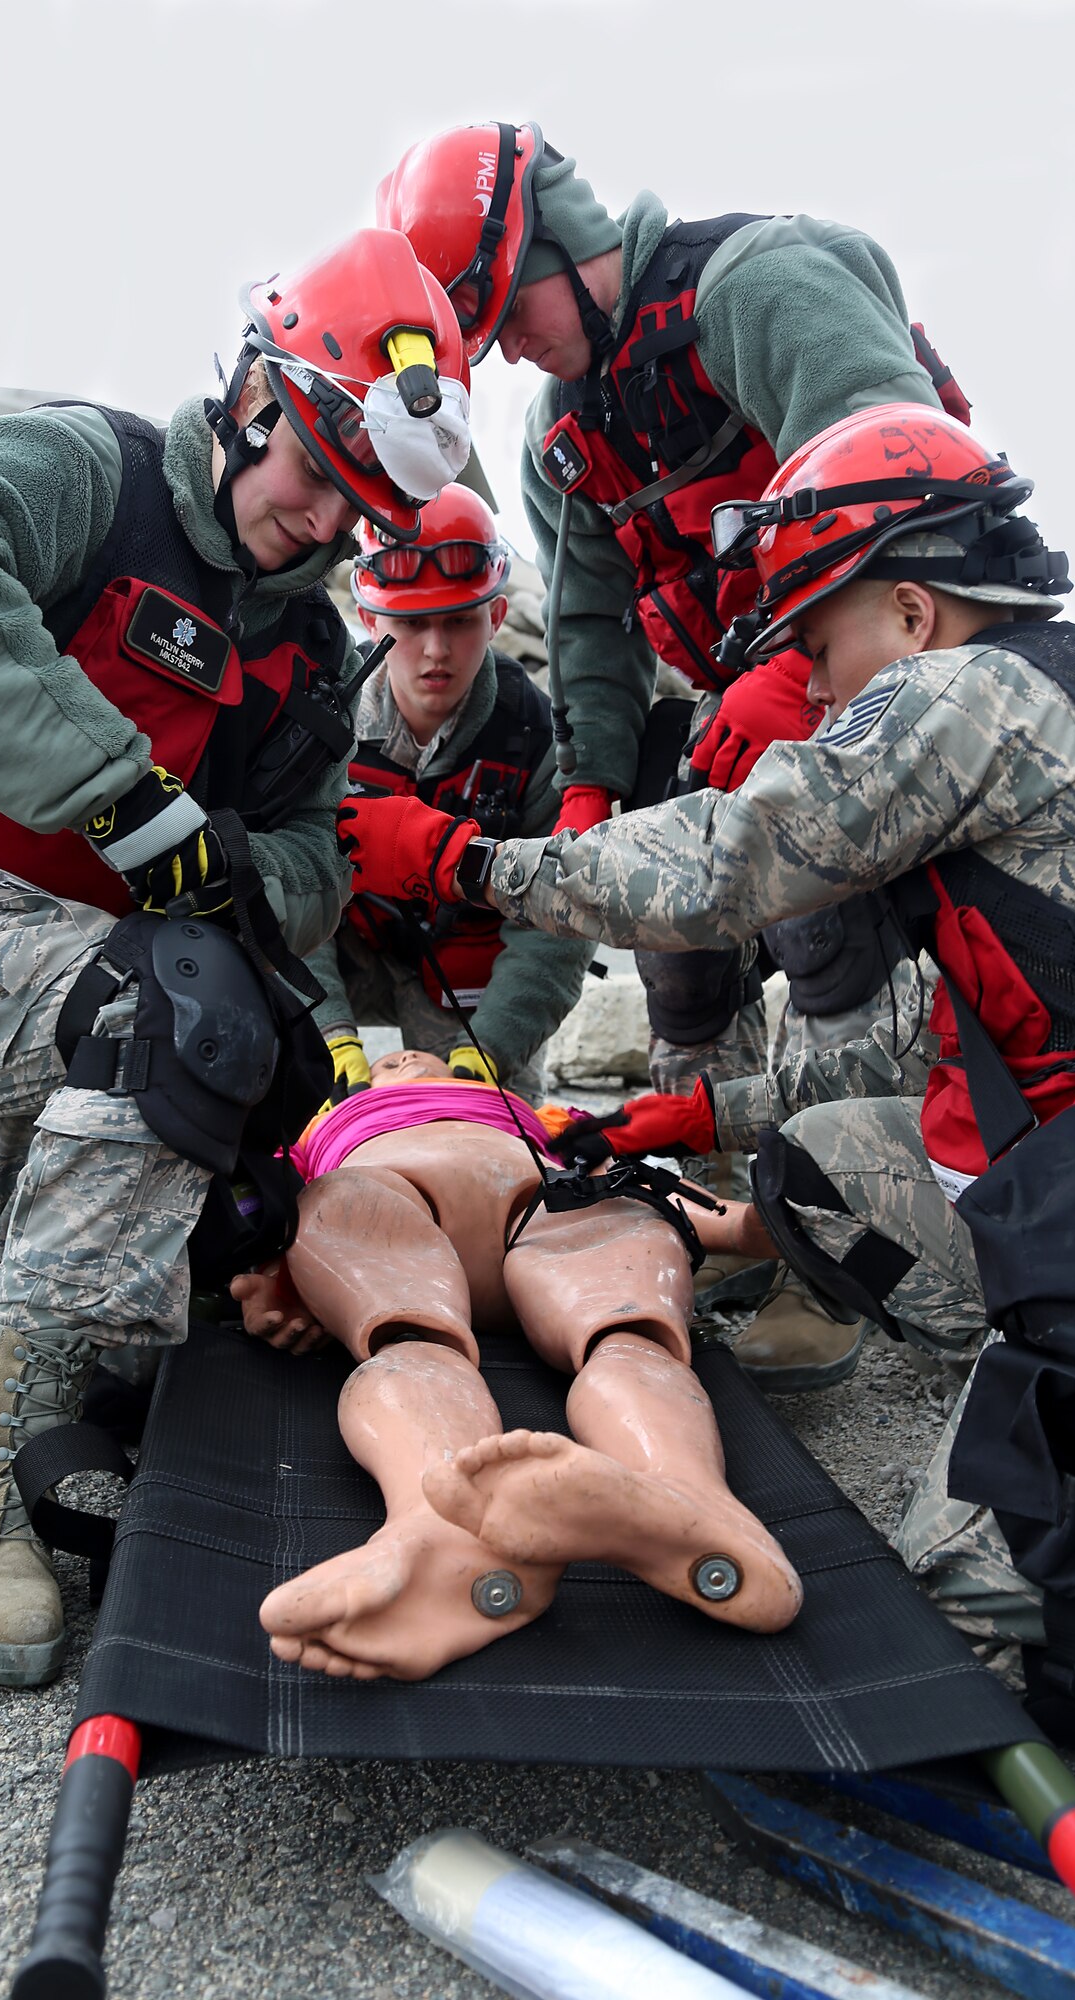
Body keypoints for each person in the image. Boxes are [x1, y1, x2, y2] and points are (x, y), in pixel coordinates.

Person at [0, 226, 471, 1689]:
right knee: (170, 1013)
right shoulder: (84, 475)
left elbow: (308, 871)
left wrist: (222, 863)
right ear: (260, 401)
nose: (331, 527)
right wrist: (135, 806)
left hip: (76, 977)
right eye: (319, 481)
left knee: (144, 1335)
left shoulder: (305, 662)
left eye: (364, 515)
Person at [338, 399, 1075, 1689]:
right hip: (1068, 1171)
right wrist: (687, 1137)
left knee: (973, 1615)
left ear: (912, 611)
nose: (815, 685)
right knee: (806, 1165)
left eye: (819, 640)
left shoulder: (972, 700)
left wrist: (470, 862)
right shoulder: (1038, 707)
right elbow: (923, 1053)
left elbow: (722, 862)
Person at [377, 121, 970, 1377]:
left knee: (820, 940)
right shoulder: (567, 432)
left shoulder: (758, 285)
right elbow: (592, 623)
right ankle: (725, 1205)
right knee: (679, 955)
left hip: (892, 684)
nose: (512, 345)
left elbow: (907, 481)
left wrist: (797, 674)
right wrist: (593, 786)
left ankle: (833, 1254)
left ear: (566, 236)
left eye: (510, 309)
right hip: (743, 703)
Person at [229, 1049, 801, 1682]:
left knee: (625, 1324)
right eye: (390, 1060)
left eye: (428, 1054)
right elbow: (274, 1205)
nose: (408, 1057)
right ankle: (438, 1525)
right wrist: (276, 1282)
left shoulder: (541, 1114)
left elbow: (633, 1175)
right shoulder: (318, 1122)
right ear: (363, 1079)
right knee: (395, 1318)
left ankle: (687, 1495)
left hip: (544, 1202)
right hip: (391, 1208)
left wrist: (741, 1225)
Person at [307, 483, 591, 1099]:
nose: (436, 651)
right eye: (412, 623)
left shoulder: (538, 738)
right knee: (269, 1049)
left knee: (491, 1128)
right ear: (370, 617)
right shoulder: (320, 722)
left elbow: (558, 922)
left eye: (460, 622)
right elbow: (286, 887)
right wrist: (326, 1031)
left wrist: (488, 1053)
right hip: (343, 944)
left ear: (494, 616)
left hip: (467, 968)